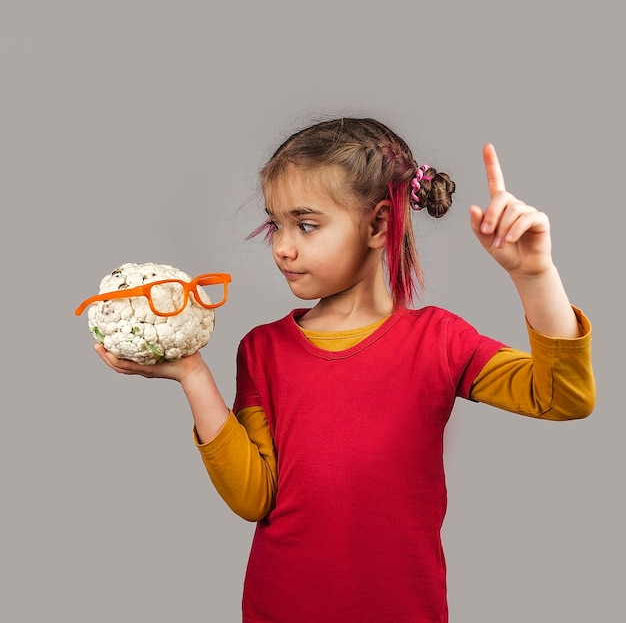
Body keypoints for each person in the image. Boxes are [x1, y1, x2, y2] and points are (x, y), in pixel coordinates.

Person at [94, 117, 596, 623]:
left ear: (378, 225)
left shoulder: (439, 342)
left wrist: (535, 276)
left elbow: (563, 397)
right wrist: (193, 374)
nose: (282, 247)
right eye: (276, 224)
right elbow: (253, 498)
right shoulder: (262, 350)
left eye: (306, 225)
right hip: (280, 608)